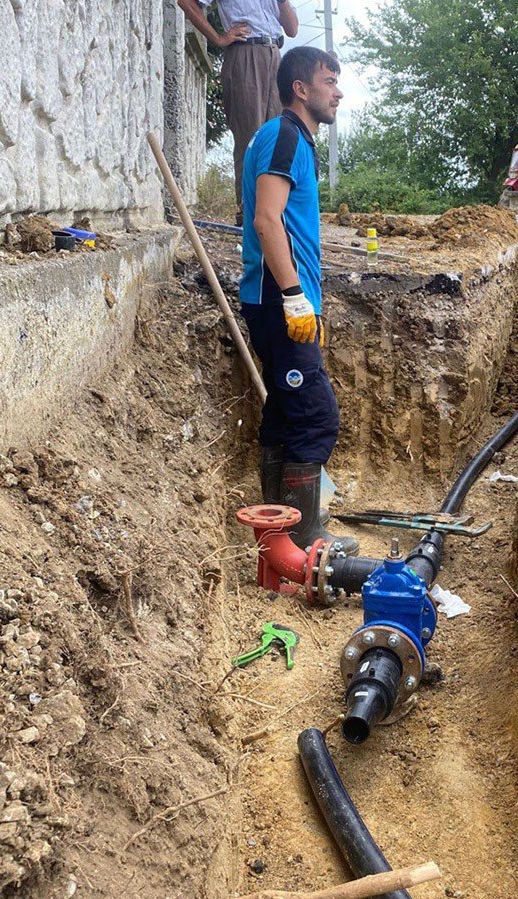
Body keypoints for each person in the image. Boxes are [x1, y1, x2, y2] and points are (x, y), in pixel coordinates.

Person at [239, 47, 357, 555]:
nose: (338, 91)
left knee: (287, 415)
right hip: (276, 294)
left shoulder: (296, 141)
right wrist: (293, 297)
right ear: (300, 89)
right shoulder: (284, 135)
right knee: (315, 416)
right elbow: (267, 220)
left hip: (280, 295)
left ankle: (275, 532)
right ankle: (304, 535)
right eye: (329, 81)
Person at [178, 0, 300, 219]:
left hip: (275, 54)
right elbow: (186, 3)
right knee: (251, 137)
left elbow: (292, 29)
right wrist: (218, 38)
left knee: (278, 136)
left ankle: (275, 212)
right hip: (244, 53)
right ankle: (249, 213)